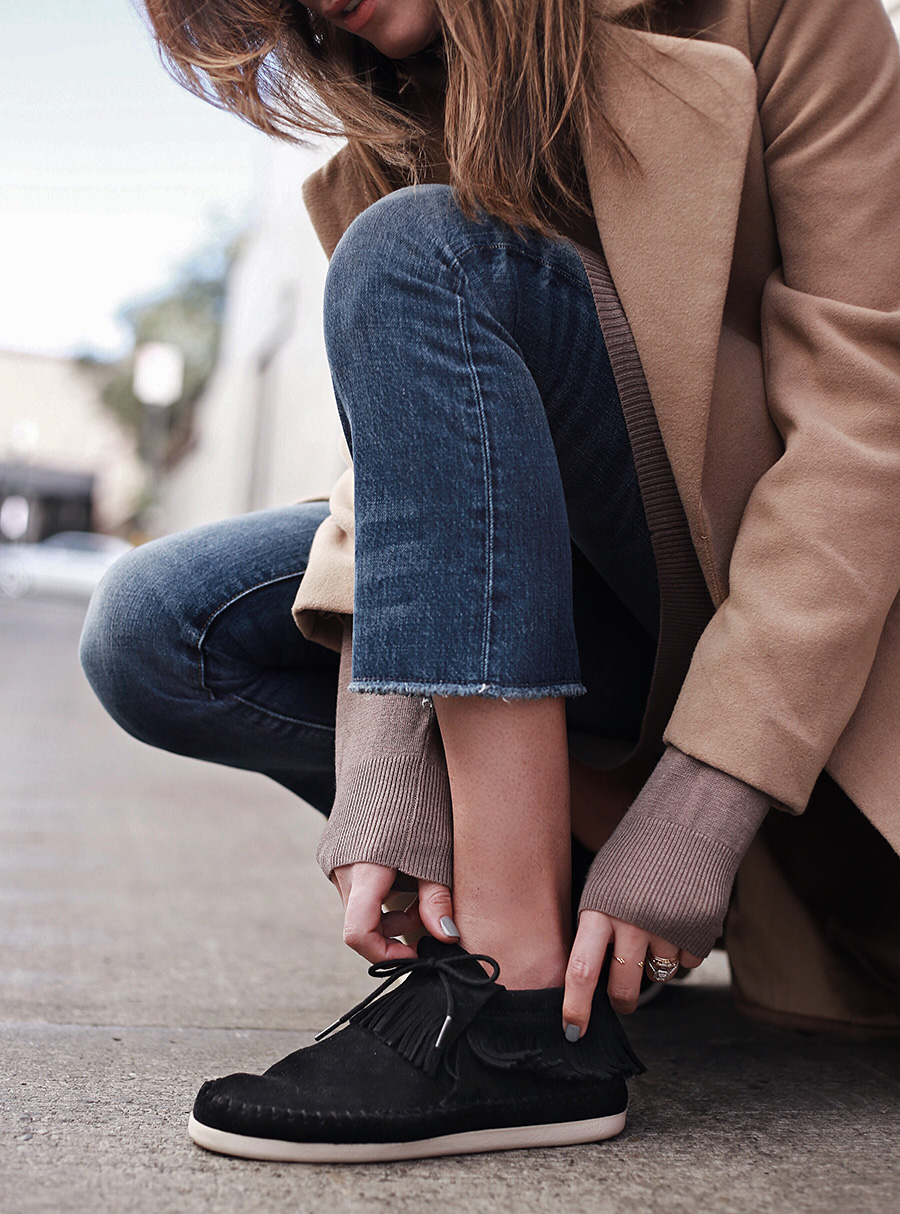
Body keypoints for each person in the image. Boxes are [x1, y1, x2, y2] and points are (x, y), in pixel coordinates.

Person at [81, 0, 900, 1164]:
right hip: (588, 628)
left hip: (793, 648)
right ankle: (550, 917)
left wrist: (703, 802)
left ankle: (516, 1010)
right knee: (156, 629)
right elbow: (401, 484)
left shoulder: (778, 14)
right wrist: (385, 776)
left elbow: (869, 428)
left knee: (427, 250)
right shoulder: (390, 129)